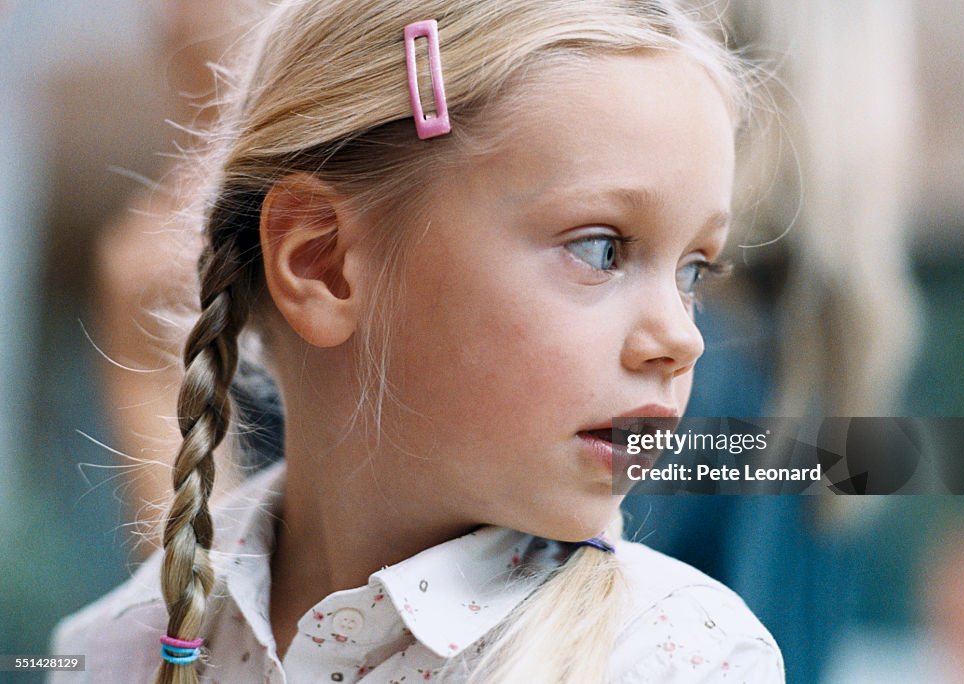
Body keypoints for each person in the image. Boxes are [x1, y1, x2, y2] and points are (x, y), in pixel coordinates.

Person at [51, 1, 784, 682]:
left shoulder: (680, 659)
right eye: (600, 249)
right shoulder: (111, 652)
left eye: (694, 270)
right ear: (323, 263)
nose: (682, 339)